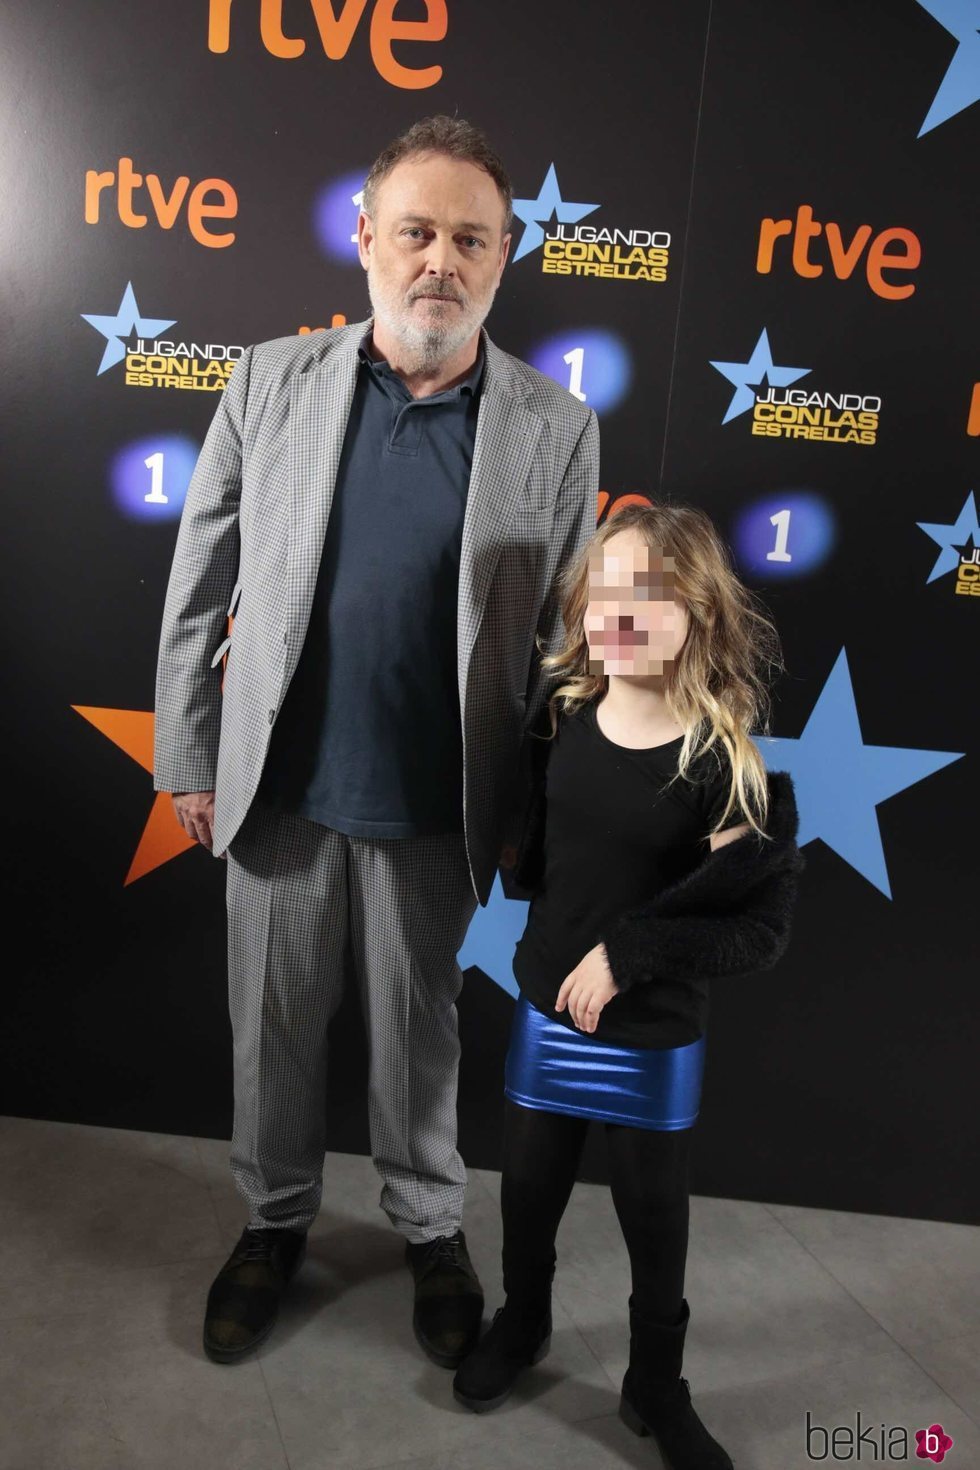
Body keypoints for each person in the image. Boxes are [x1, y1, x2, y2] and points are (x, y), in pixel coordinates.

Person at [152, 114, 600, 1367]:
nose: (439, 262)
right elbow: (197, 585)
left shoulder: (554, 431)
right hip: (278, 791)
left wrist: (545, 821)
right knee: (274, 1029)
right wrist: (189, 752)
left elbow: (564, 656)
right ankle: (272, 1223)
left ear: (503, 257)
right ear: (364, 241)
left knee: (421, 1040)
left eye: (470, 238)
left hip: (439, 802)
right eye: (416, 232)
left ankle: (428, 1227)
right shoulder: (266, 384)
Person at [451, 503, 805, 1470]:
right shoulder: (559, 716)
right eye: (605, 589)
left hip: (649, 1029)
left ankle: (657, 1383)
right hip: (547, 1014)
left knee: (655, 1221)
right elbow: (535, 849)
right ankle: (523, 1325)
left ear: (700, 611)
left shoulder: (724, 757)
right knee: (527, 1193)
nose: (622, 611)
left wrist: (629, 956)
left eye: (651, 592)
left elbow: (758, 930)